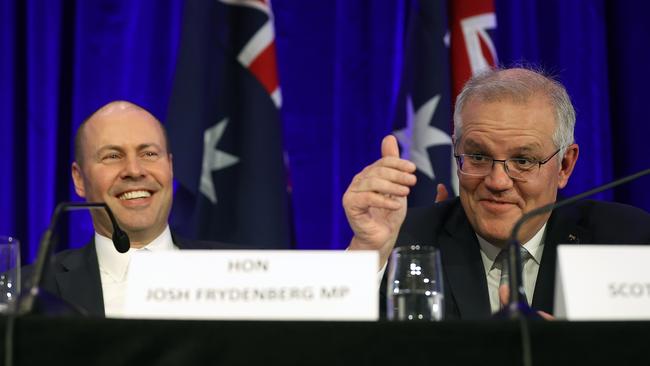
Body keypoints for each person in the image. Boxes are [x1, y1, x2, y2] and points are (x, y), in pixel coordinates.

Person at [343, 67, 650, 319]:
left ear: (564, 165)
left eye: (523, 161)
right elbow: (325, 348)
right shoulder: (404, 241)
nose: (498, 181)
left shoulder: (627, 240)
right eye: (478, 157)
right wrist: (367, 251)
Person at [32, 101, 233, 317]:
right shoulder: (29, 290)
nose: (134, 170)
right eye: (113, 156)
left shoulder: (238, 276)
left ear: (170, 167)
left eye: (149, 154)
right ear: (79, 179)